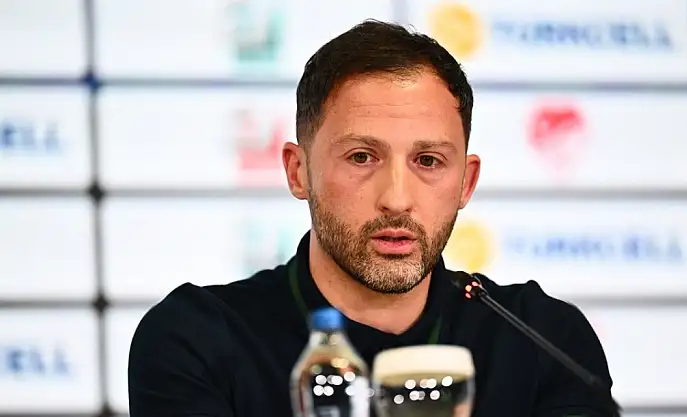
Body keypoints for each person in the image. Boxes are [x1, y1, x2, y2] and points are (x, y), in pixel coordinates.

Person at [128, 19, 613, 417]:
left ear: (466, 183)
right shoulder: (197, 340)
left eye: (428, 161)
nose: (397, 200)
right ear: (298, 172)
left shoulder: (545, 339)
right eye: (361, 157)